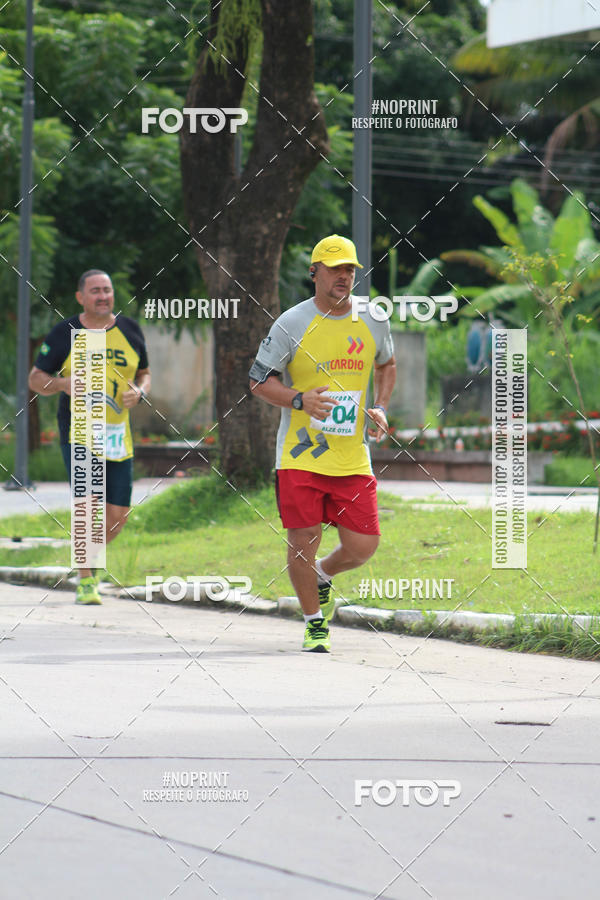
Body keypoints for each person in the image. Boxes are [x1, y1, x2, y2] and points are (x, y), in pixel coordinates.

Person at [249, 235, 396, 652]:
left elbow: (388, 364)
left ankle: (323, 575)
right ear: (315, 273)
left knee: (363, 545)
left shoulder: (373, 317)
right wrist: (299, 400)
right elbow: (258, 381)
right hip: (299, 455)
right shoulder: (291, 323)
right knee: (304, 537)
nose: (344, 276)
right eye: (335, 269)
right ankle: (315, 621)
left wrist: (381, 407)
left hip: (351, 456)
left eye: (350, 269)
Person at [29, 270, 151, 605]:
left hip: (117, 435)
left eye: (107, 290)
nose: (103, 296)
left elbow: (144, 373)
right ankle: (86, 579)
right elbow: (36, 378)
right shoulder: (66, 332)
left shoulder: (129, 329)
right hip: (80, 432)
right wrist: (63, 384)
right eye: (95, 291)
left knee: (118, 516)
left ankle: (86, 556)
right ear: (81, 297)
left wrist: (139, 392)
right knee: (88, 507)